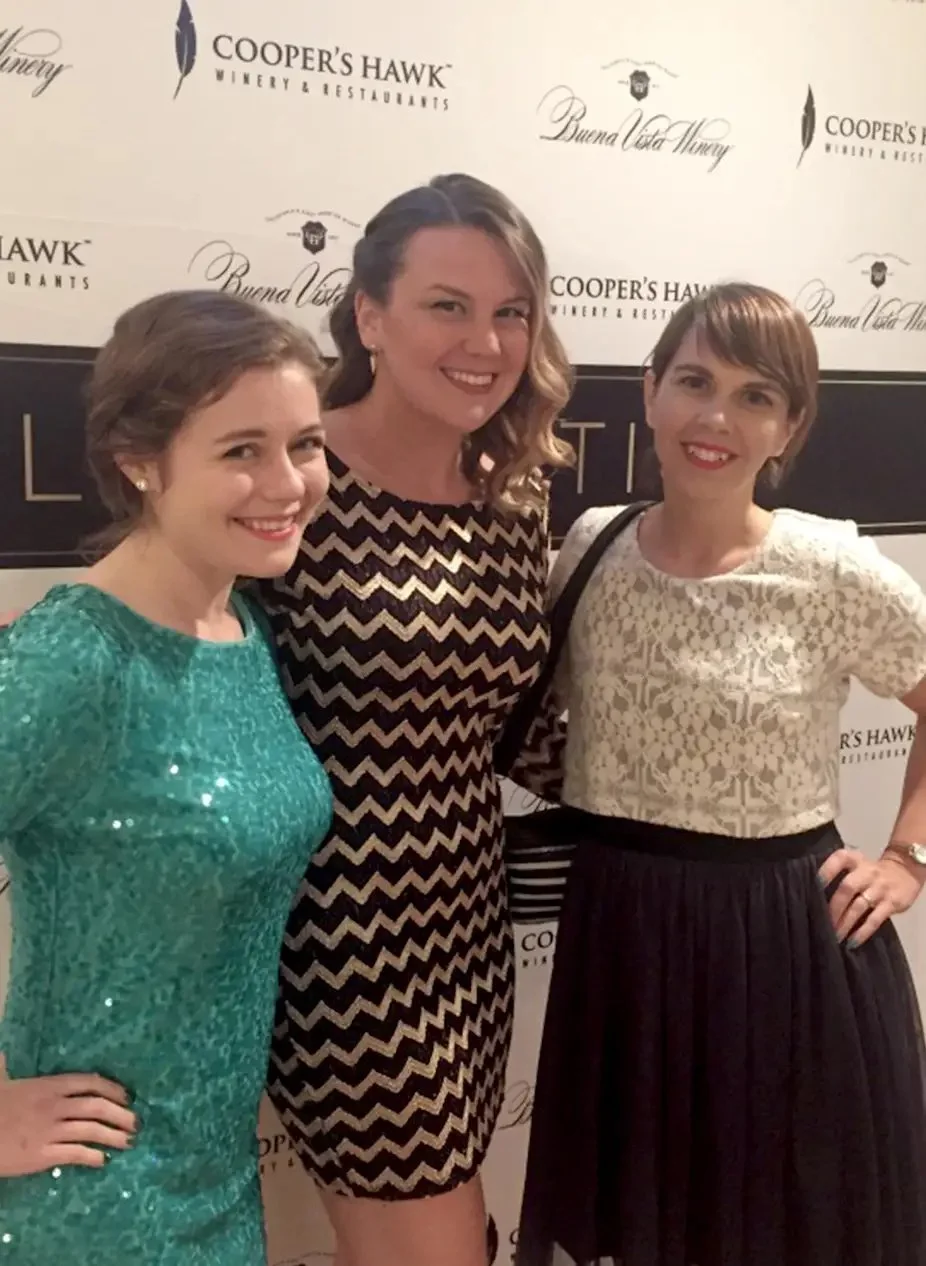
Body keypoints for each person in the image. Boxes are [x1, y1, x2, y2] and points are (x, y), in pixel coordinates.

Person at [515, 283, 926, 1266]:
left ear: (786, 426)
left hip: (784, 951)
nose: (715, 418)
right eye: (693, 381)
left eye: (754, 395)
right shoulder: (588, 548)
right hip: (624, 938)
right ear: (650, 391)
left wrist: (907, 855)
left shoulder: (829, 567)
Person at [255, 173, 571, 1266]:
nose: (485, 341)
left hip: (465, 926)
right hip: (340, 938)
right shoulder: (294, 482)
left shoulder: (512, 500)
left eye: (509, 311)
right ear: (367, 315)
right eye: (447, 305)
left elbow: (508, 727)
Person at [0, 290, 334, 1265]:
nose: (286, 483)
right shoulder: (70, 657)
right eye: (240, 450)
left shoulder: (242, 630)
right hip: (93, 1201)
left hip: (218, 1180)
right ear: (139, 462)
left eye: (303, 444)